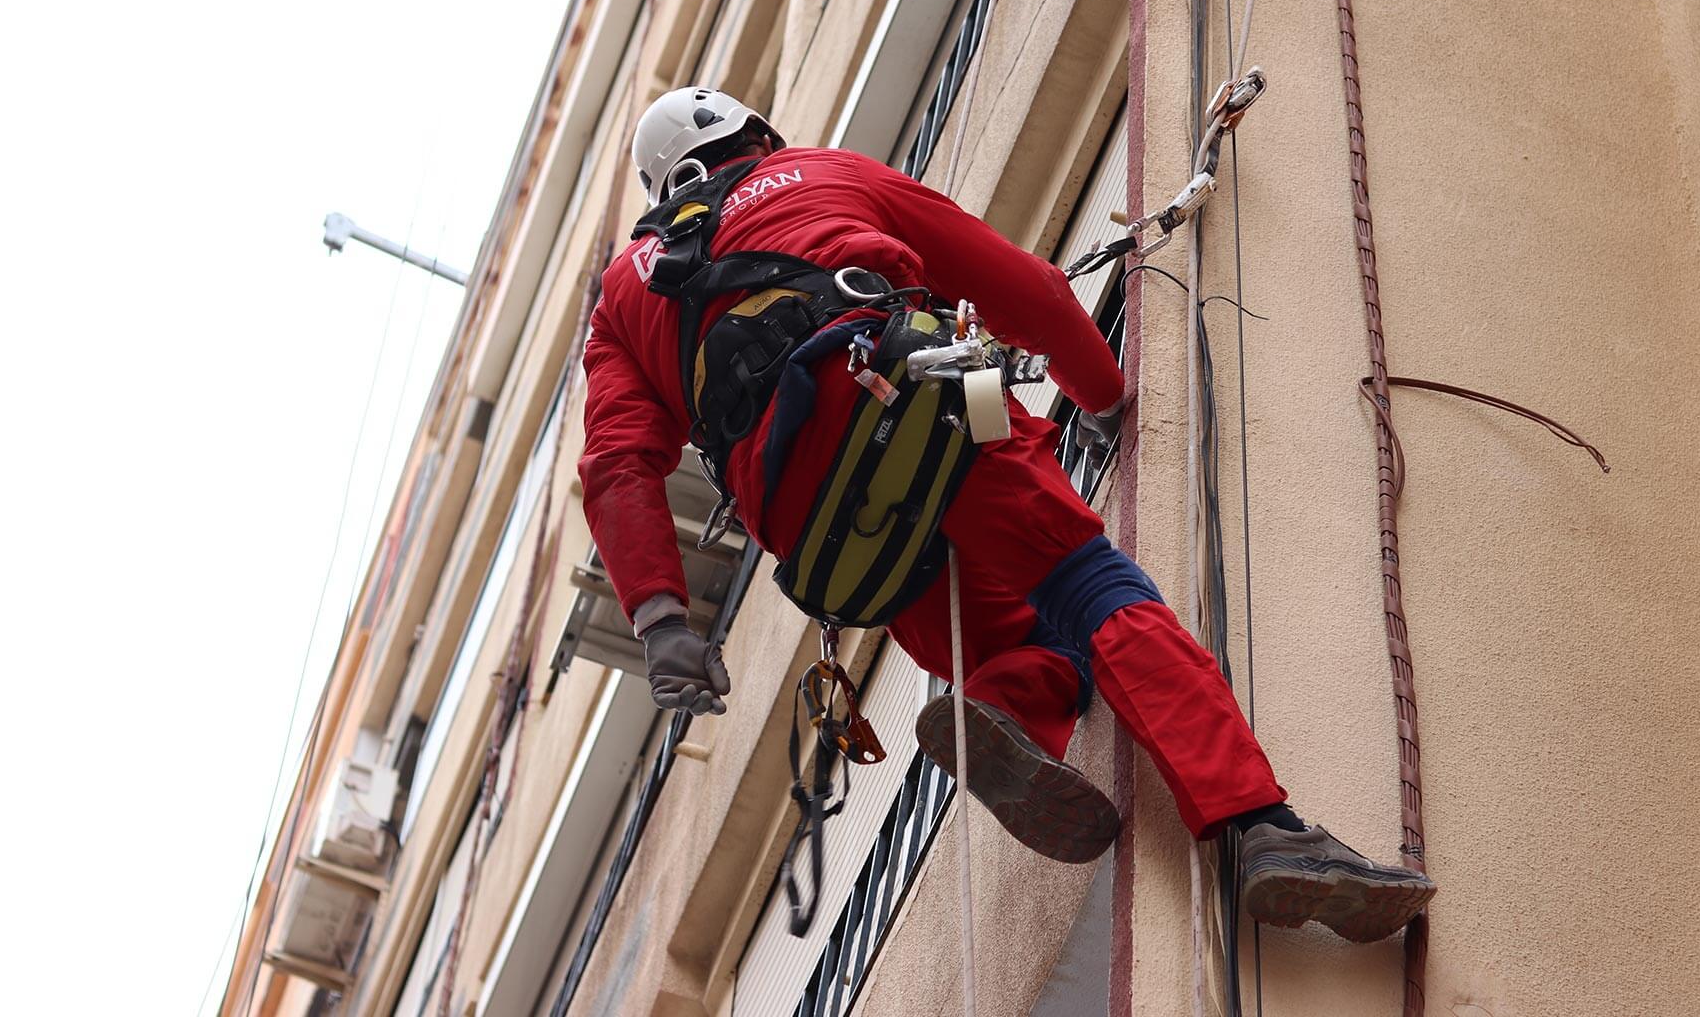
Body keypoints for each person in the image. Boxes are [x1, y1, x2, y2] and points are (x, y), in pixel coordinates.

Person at [577, 86, 1435, 942]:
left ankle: (1007, 711)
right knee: (1088, 585)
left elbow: (617, 463)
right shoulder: (819, 172)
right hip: (927, 396)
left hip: (812, 520)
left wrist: (661, 618)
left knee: (1018, 640)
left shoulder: (623, 296)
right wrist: (1100, 395)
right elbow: (1019, 285)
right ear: (755, 137)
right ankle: (1261, 829)